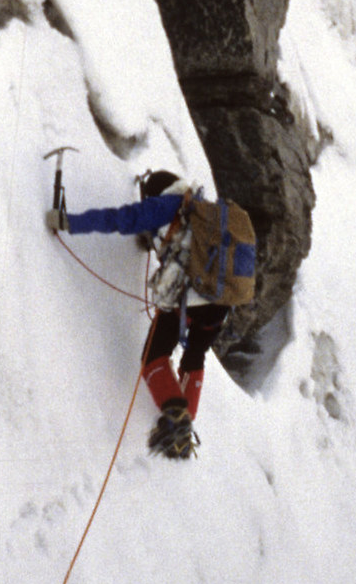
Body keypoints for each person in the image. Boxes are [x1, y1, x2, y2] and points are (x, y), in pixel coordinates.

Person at [46, 169, 228, 459]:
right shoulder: (204, 209)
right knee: (195, 354)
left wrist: (70, 222)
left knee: (153, 357)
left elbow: (120, 219)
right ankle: (184, 429)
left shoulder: (166, 206)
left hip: (188, 299)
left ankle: (176, 423)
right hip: (224, 299)